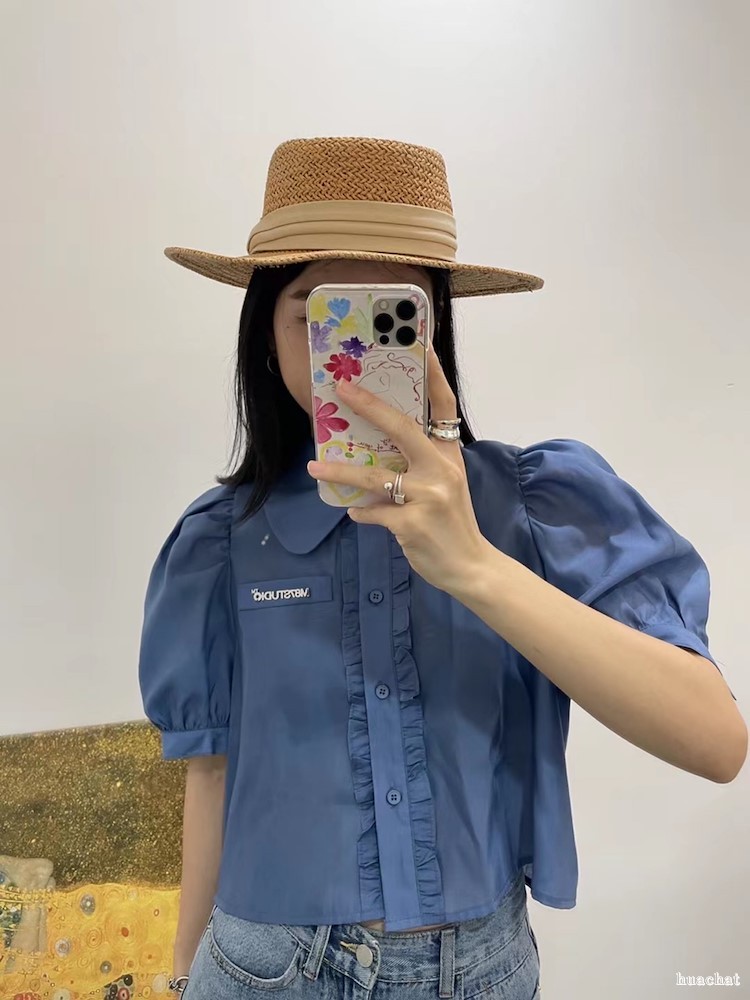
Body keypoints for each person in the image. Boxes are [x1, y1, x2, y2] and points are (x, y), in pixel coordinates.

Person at [137, 136, 745, 1000]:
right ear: (266, 334)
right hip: (262, 967)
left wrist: (474, 566)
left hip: (482, 969)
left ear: (432, 331)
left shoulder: (534, 503)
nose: (348, 355)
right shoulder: (219, 542)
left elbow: (716, 743)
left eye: (390, 312)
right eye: (318, 312)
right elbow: (212, 773)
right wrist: (177, 974)